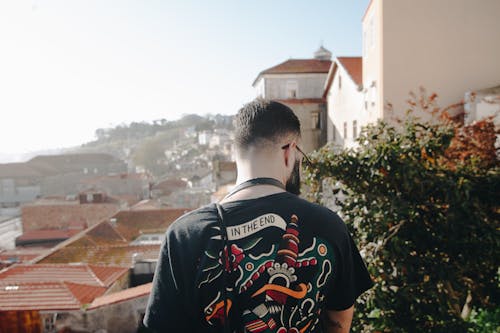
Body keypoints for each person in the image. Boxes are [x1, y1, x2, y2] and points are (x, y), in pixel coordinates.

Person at [143, 99, 373, 333]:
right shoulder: (330, 225)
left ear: (236, 153)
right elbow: (338, 322)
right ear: (289, 151)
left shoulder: (184, 233)